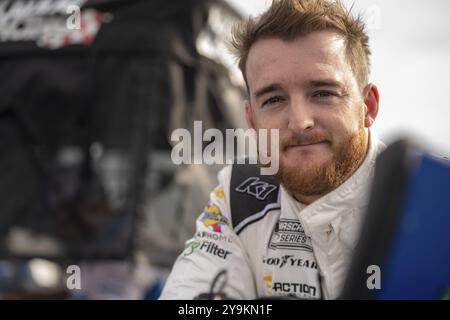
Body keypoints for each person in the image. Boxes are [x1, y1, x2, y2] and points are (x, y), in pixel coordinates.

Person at [160, 0, 384, 300]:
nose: (300, 122)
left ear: (367, 106)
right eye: (274, 100)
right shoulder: (240, 194)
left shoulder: (432, 198)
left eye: (322, 93)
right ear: (251, 119)